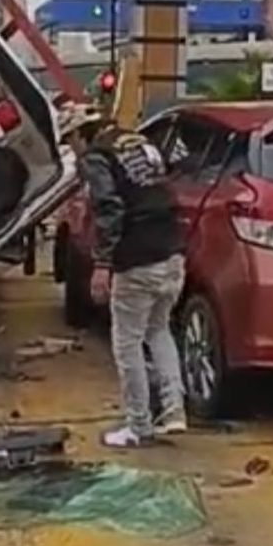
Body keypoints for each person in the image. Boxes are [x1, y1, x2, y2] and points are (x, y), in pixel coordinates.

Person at [61, 105, 187, 449]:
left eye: (69, 141)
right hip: (172, 253)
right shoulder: (140, 143)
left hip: (138, 259)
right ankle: (174, 413)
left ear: (78, 135)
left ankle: (138, 425)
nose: (72, 150)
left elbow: (110, 209)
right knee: (159, 331)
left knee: (127, 343)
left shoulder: (97, 157)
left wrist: (102, 264)